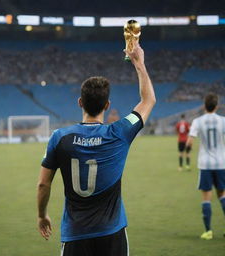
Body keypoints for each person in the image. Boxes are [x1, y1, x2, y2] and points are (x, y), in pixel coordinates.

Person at [37, 41, 156, 256]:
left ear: (80, 102)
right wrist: (139, 63)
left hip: (75, 234)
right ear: (107, 105)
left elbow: (43, 184)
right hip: (112, 233)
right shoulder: (119, 132)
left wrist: (41, 215)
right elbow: (148, 100)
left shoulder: (60, 137)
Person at [186, 93, 225, 240]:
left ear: (204, 106)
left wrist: (187, 151)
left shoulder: (198, 121)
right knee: (222, 195)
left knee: (206, 198)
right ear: (217, 106)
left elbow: (190, 142)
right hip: (221, 163)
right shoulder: (222, 121)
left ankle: (208, 231)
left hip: (205, 163)